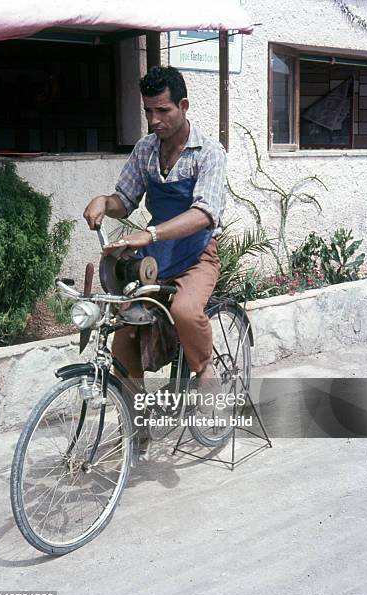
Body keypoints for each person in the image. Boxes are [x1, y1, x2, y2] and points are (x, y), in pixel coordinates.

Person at [84, 65, 226, 385]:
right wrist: (105, 202)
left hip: (198, 254)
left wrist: (150, 234)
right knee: (125, 326)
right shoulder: (146, 149)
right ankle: (136, 425)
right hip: (156, 256)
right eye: (148, 111)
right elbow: (125, 199)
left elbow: (204, 213)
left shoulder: (209, 153)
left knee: (186, 311)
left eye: (162, 110)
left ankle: (205, 372)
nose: (153, 121)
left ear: (183, 106)